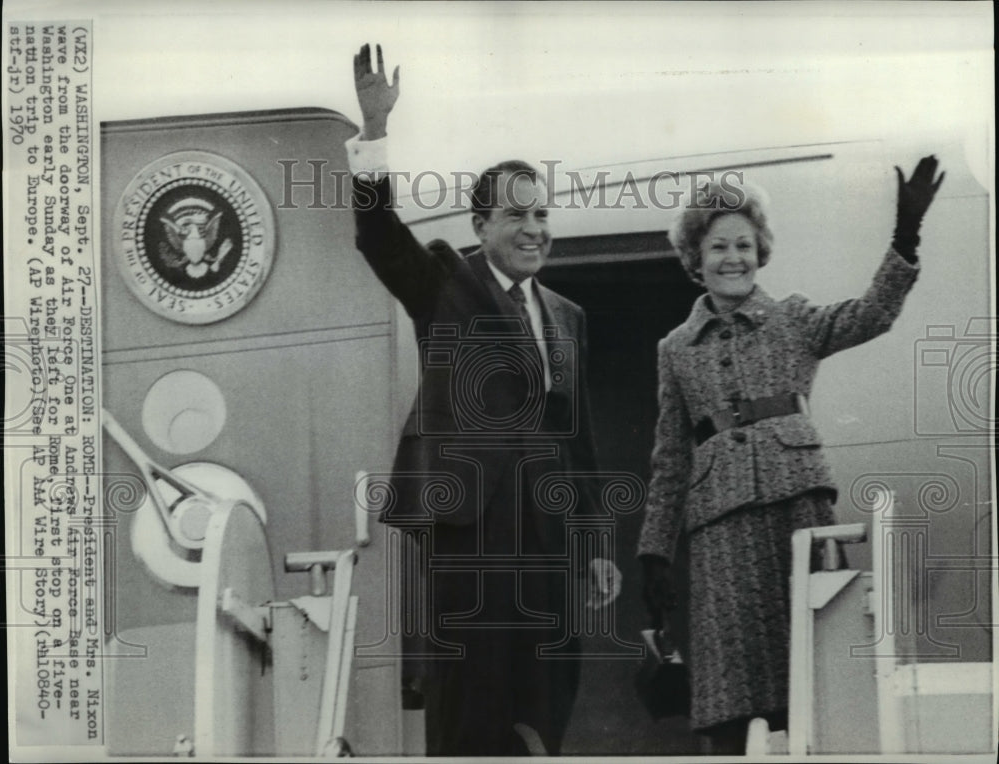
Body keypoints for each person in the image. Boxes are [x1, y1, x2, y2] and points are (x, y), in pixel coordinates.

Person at [346, 44, 621, 756]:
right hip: (473, 525)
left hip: (547, 527)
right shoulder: (446, 284)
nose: (536, 229)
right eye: (517, 216)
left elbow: (578, 438)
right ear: (482, 226)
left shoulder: (567, 315)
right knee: (471, 695)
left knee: (548, 684)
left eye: (542, 215)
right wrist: (374, 134)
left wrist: (594, 543)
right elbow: (379, 237)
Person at [636, 157, 944, 753]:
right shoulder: (674, 349)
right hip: (720, 532)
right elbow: (670, 456)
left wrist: (905, 233)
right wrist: (654, 550)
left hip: (798, 514)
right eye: (719, 246)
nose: (733, 258)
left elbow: (871, 313)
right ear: (695, 260)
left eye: (745, 245)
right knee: (733, 688)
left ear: (761, 252)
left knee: (814, 667)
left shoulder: (793, 319)